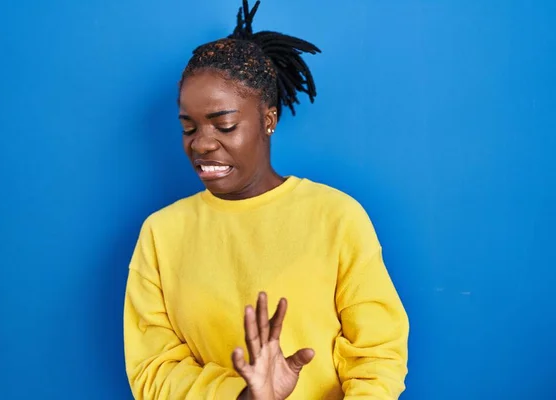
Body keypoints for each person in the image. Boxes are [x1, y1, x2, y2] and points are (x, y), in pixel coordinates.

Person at [123, 1, 409, 399]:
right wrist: (245, 395)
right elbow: (152, 369)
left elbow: (377, 355)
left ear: (268, 119)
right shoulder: (161, 234)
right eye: (188, 128)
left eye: (225, 125)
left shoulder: (336, 216)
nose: (202, 144)